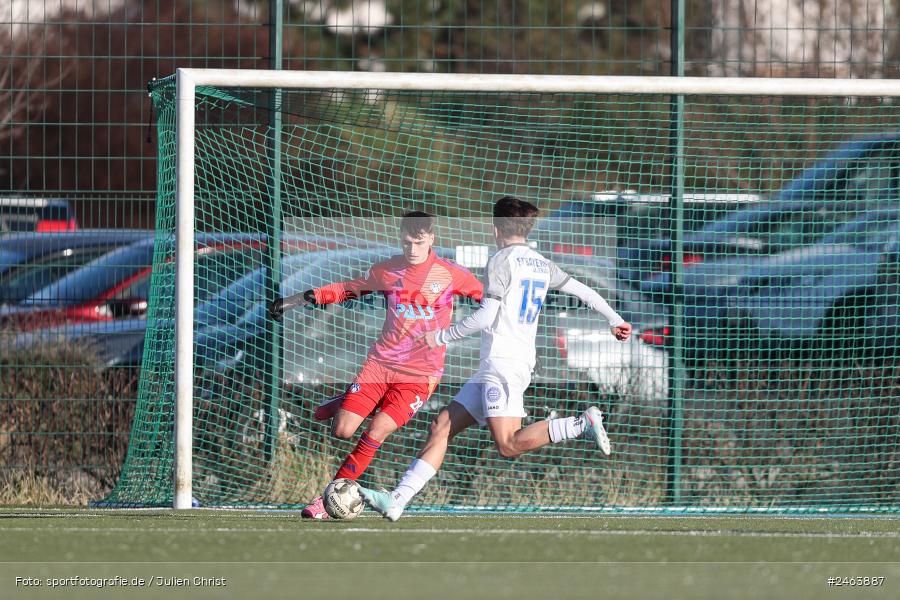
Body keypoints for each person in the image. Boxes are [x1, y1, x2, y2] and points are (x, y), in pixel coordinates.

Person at [359, 196, 632, 521]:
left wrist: (440, 336)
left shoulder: (502, 260)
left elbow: (486, 316)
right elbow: (583, 291)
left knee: (508, 444)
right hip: (507, 364)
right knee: (441, 426)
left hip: (502, 364)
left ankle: (579, 424)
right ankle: (397, 500)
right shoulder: (539, 262)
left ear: (496, 228)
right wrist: (614, 318)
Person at [269, 211, 483, 519]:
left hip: (420, 376)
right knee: (342, 430)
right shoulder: (387, 270)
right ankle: (345, 401)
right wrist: (298, 299)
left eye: (419, 243)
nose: (412, 249)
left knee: (378, 429)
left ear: (432, 239)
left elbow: (491, 300)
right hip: (380, 365)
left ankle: (327, 501)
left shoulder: (451, 274)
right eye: (407, 242)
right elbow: (346, 289)